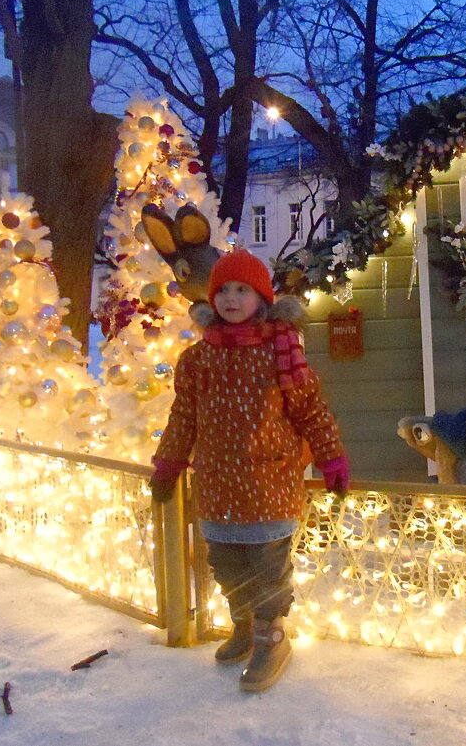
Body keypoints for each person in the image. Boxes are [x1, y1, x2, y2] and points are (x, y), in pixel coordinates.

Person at [148, 248, 349, 692]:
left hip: (269, 484)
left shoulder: (281, 353)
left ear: (262, 298)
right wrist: (169, 462)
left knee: (267, 568)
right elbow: (184, 417)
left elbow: (311, 411)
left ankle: (270, 637)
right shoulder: (197, 360)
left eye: (243, 290)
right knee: (225, 563)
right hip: (218, 486)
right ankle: (244, 625)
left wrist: (331, 457)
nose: (232, 299)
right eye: (224, 290)